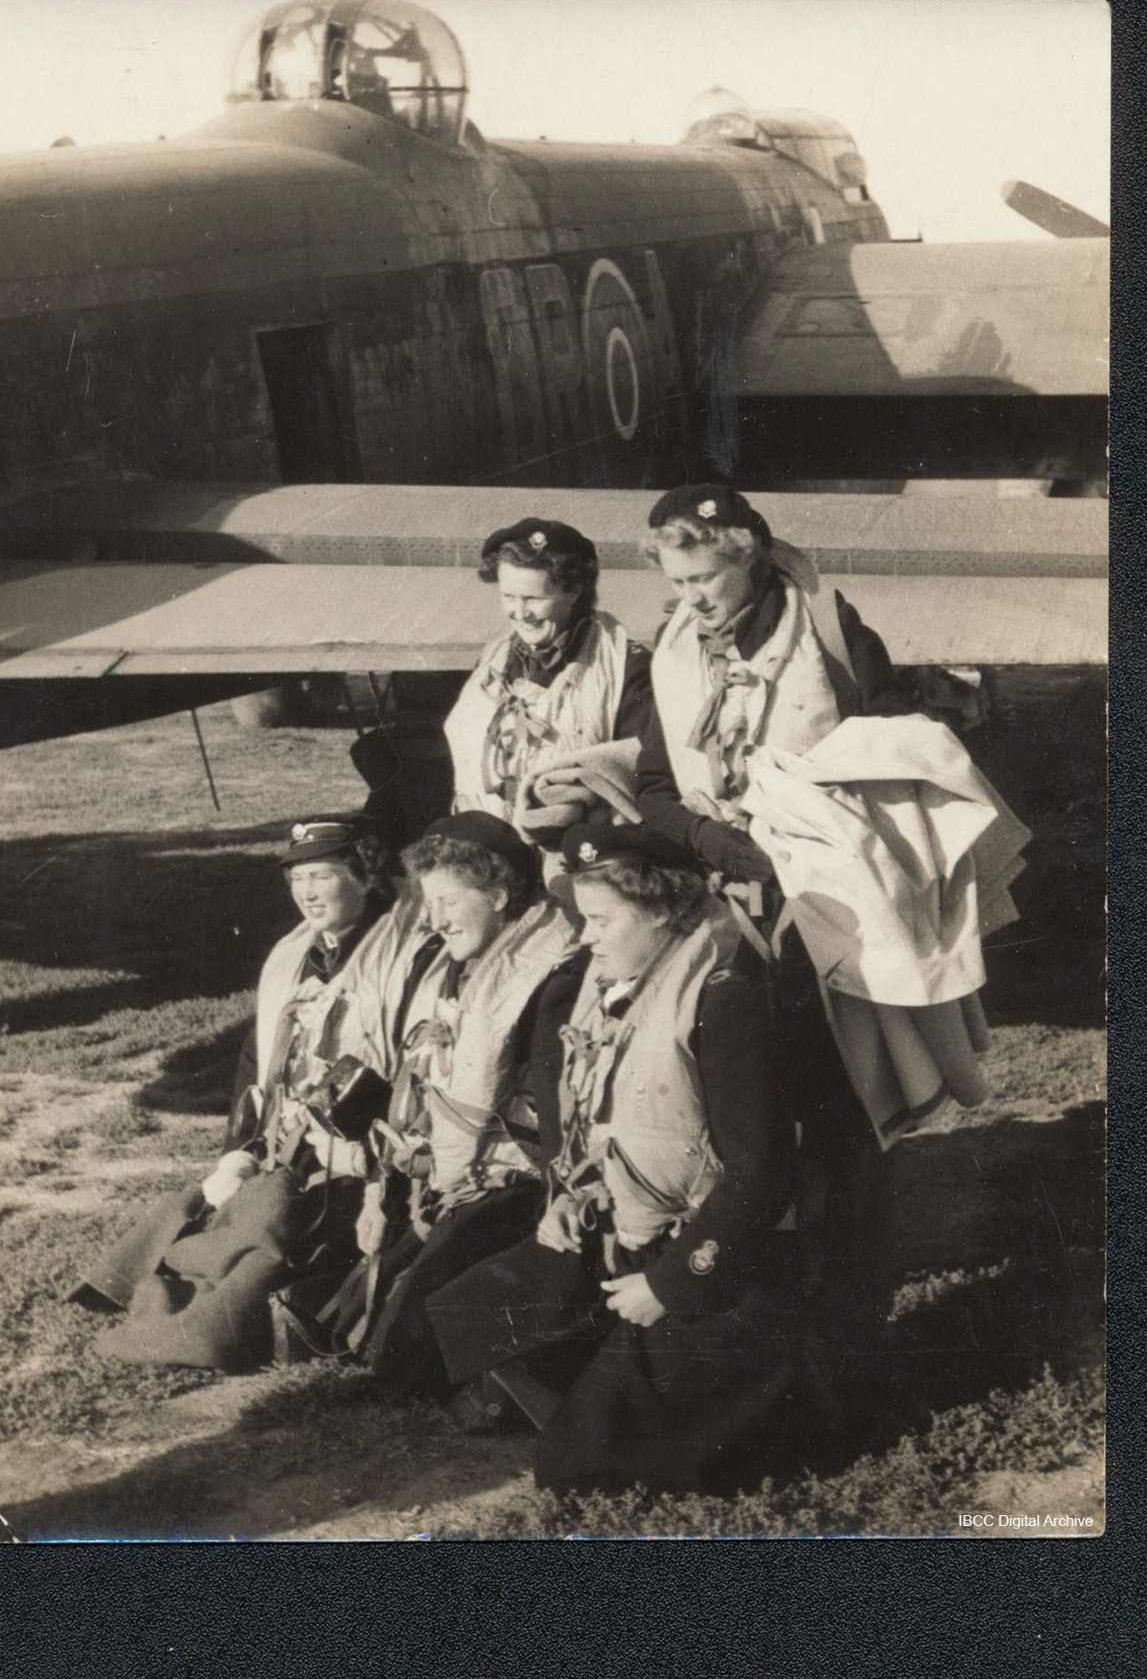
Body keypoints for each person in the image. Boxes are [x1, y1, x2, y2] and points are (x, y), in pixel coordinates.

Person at [427, 823, 806, 1495]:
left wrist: (669, 1287)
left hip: (727, 1263)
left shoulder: (722, 1000)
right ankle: (610, 1384)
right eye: (582, 918)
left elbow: (761, 1176)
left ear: (661, 911)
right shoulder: (626, 990)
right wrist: (574, 1197)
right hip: (634, 1232)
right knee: (467, 1313)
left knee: (580, 1469)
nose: (587, 936)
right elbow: (614, 1125)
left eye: (602, 920)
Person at [634, 482, 902, 1369]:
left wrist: (799, 833)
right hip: (725, 903)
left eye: (706, 576)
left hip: (823, 903)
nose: (693, 597)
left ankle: (853, 1302)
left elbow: (892, 750)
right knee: (747, 1102)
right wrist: (710, 837)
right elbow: (649, 788)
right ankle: (766, 1286)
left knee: (837, 1099)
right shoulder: (672, 651)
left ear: (750, 551)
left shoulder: (824, 631)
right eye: (677, 582)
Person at [67, 813, 405, 1373]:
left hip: (354, 1146)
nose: (307, 893)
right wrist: (240, 1148)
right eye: (297, 880)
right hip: (287, 1137)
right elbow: (258, 1064)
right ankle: (165, 1290)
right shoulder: (295, 955)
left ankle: (205, 1325)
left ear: (366, 876)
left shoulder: (397, 956)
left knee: (266, 1220)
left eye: (321, 876)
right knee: (207, 1204)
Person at [326, 811, 578, 1396]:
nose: (434, 921)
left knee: (402, 1356)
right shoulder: (463, 965)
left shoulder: (550, 974)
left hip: (518, 1183)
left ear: (497, 893)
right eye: (427, 902)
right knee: (351, 1323)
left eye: (449, 902)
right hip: (452, 1174)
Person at [443, 518, 652, 848]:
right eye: (509, 596)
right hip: (489, 840)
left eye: (533, 599)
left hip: (572, 846)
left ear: (573, 591)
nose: (520, 612)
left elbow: (636, 769)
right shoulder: (493, 660)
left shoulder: (625, 665)